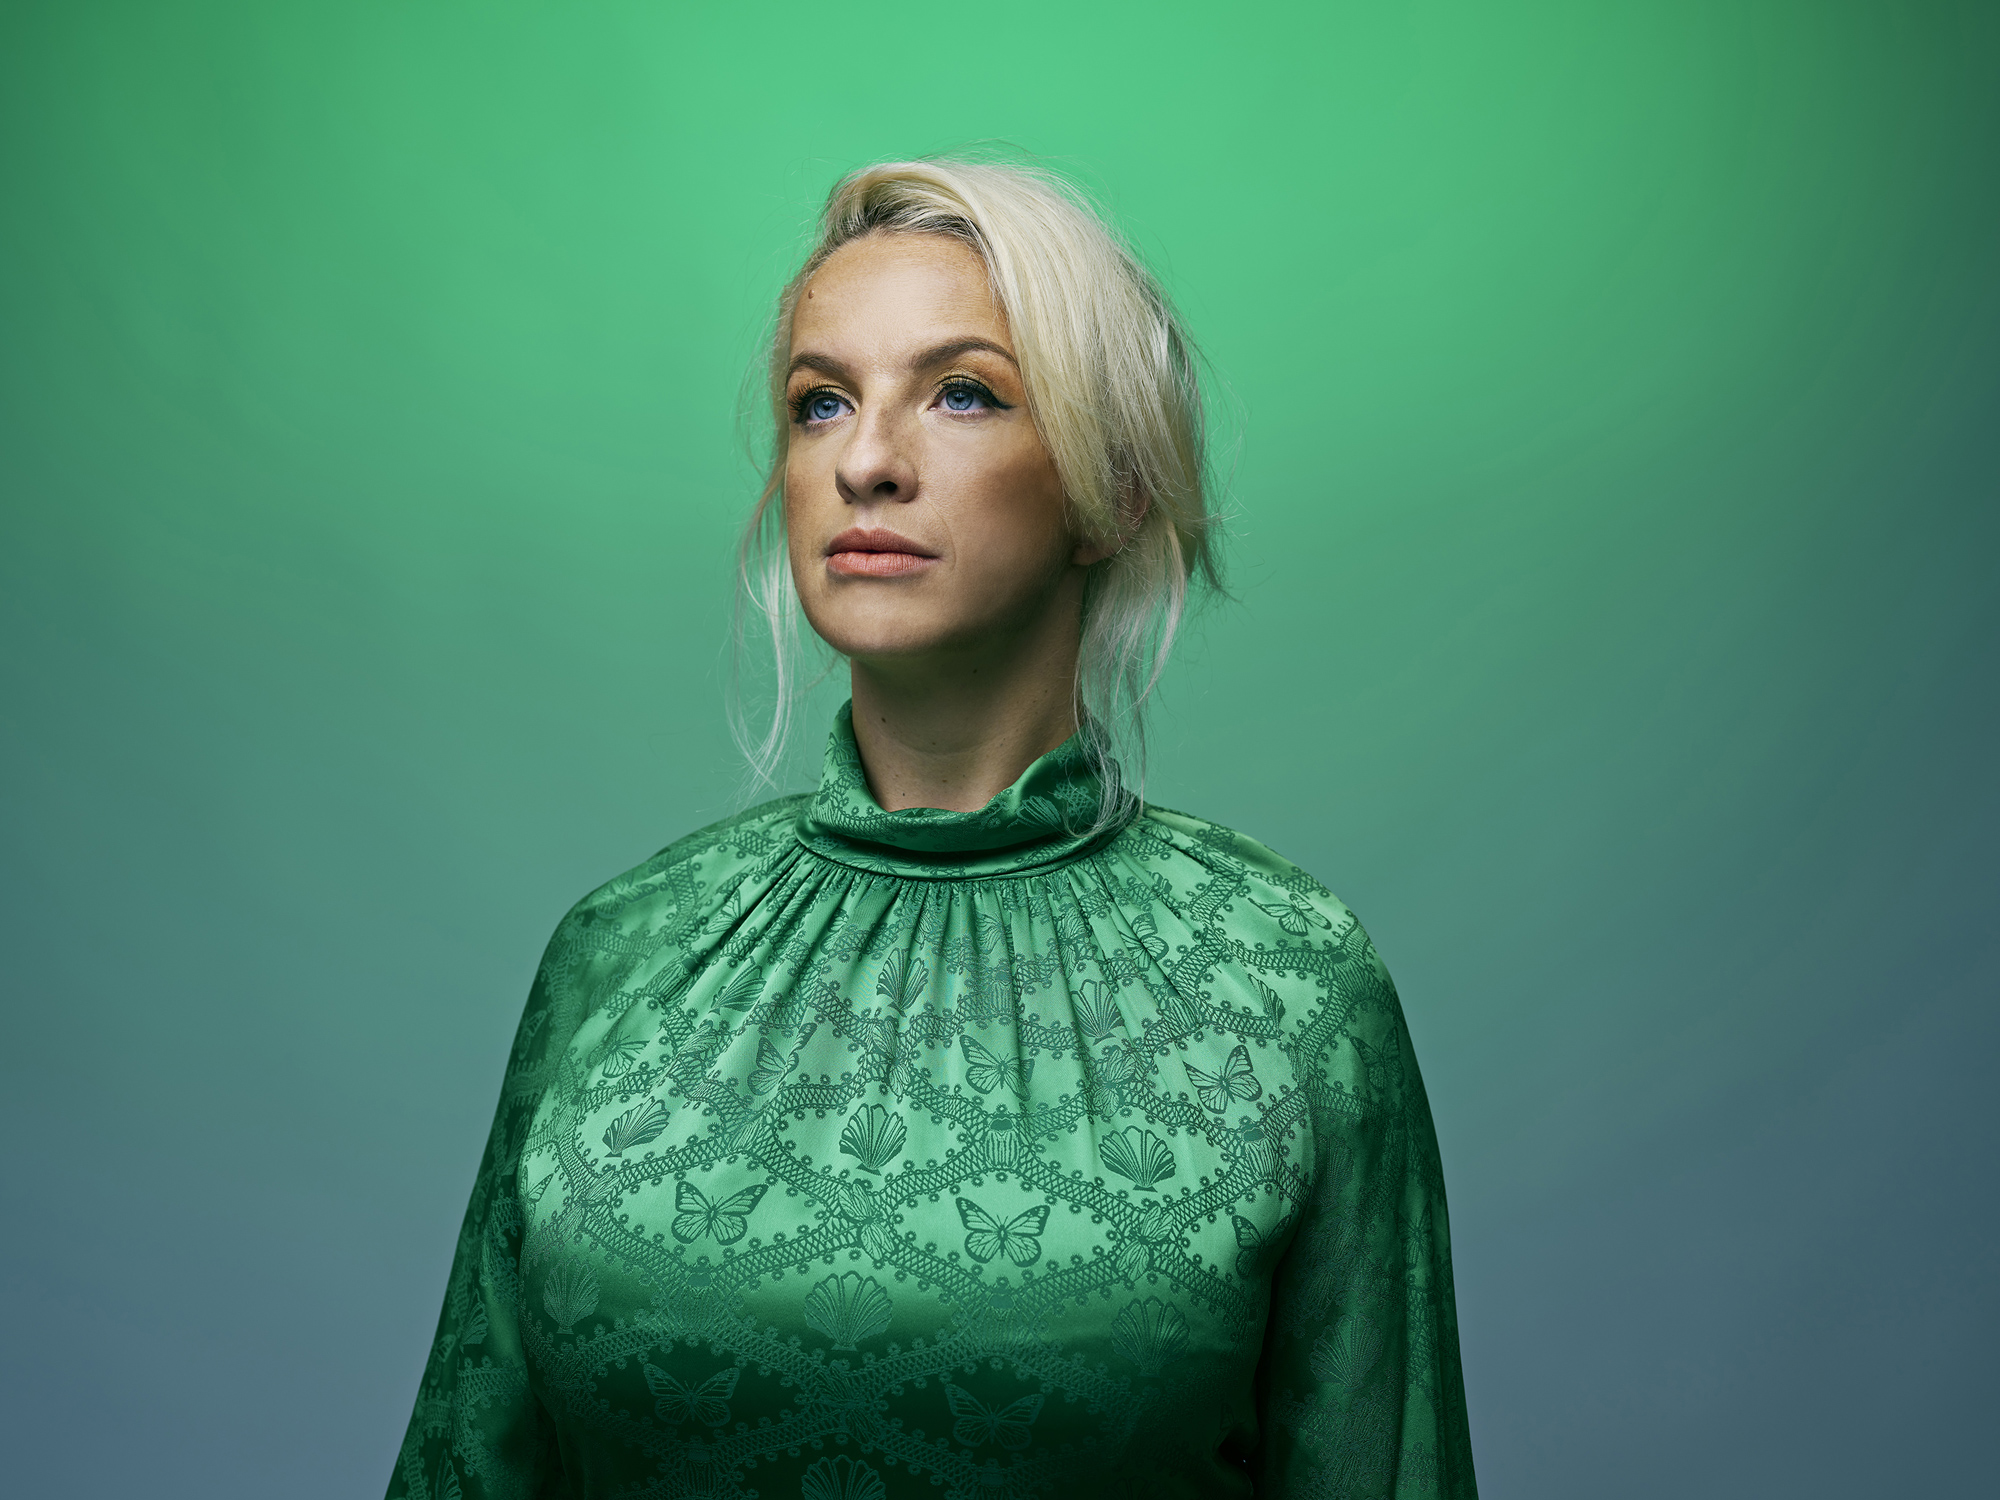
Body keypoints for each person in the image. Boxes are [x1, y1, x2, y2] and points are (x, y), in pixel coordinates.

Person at [389, 156, 1477, 1500]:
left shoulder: (1287, 981)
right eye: (820, 402)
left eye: (962, 393)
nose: (865, 461)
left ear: (1116, 490)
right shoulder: (620, 956)